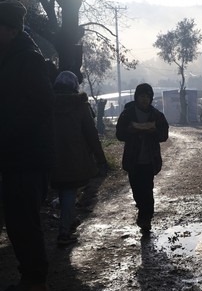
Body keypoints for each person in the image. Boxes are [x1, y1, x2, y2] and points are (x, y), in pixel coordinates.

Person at [0, 0, 54, 291]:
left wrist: (7, 132)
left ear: (8, 30)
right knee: (17, 224)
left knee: (25, 223)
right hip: (15, 156)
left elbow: (41, 104)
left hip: (29, 157)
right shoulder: (11, 56)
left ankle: (38, 287)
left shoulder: (28, 59)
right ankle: (27, 281)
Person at [51, 71, 108, 246]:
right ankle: (64, 233)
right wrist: (101, 159)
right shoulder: (80, 105)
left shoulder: (46, 104)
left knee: (62, 189)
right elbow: (91, 134)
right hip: (75, 156)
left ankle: (69, 219)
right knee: (69, 190)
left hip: (50, 156)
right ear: (75, 86)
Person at [116, 83, 169, 233]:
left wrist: (154, 131)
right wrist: (130, 131)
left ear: (151, 98)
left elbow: (164, 135)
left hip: (149, 159)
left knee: (147, 189)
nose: (144, 99)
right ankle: (142, 211)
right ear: (136, 97)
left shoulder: (157, 116)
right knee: (136, 190)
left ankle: (146, 219)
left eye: (147, 96)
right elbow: (119, 135)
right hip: (133, 160)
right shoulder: (127, 114)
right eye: (141, 96)